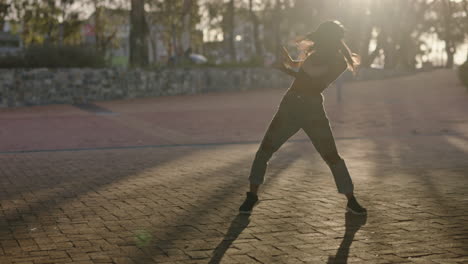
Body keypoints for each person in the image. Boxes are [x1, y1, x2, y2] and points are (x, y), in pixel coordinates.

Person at [239, 20, 367, 215]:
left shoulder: (339, 62)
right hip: (290, 105)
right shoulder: (316, 55)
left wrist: (289, 68)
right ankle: (252, 196)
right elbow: (301, 67)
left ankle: (351, 199)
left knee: (331, 156)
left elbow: (314, 74)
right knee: (265, 150)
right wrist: (288, 63)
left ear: (329, 40)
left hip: (312, 110)